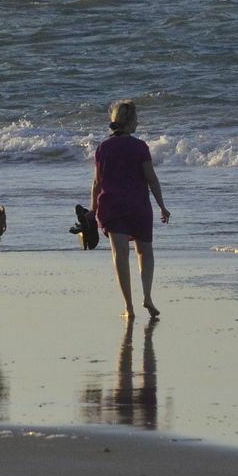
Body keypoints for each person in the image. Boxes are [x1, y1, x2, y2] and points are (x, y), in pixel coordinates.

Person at [90, 100, 170, 319]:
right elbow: (151, 180)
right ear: (129, 122)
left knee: (121, 255)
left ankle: (129, 307)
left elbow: (97, 183)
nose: (138, 122)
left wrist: (92, 208)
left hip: (112, 206)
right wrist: (162, 206)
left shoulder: (103, 148)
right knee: (145, 251)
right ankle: (147, 297)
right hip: (138, 206)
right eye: (136, 118)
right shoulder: (140, 147)